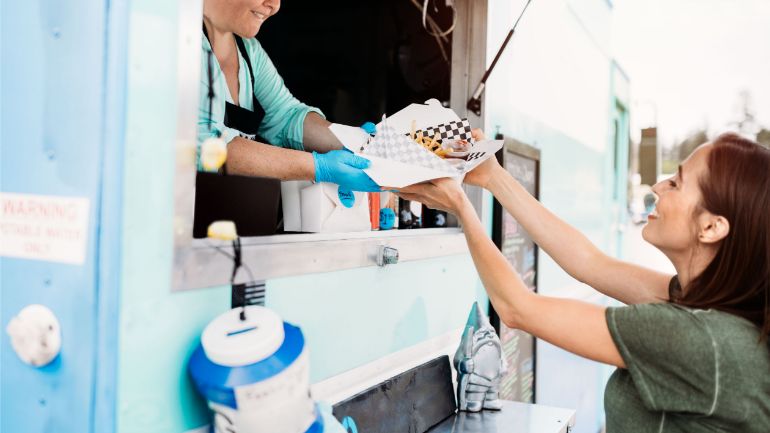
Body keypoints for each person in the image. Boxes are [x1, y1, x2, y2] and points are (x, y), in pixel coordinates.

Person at [395, 132, 770, 432]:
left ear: (711, 227)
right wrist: (493, 176)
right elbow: (589, 262)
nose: (658, 186)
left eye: (677, 183)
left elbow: (518, 308)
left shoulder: (701, 340)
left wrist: (462, 206)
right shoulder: (699, 304)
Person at [198, 0, 377, 192]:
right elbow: (205, 146)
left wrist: (359, 143)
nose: (274, 5)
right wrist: (318, 167)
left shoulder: (248, 50)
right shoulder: (182, 44)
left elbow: (286, 118)